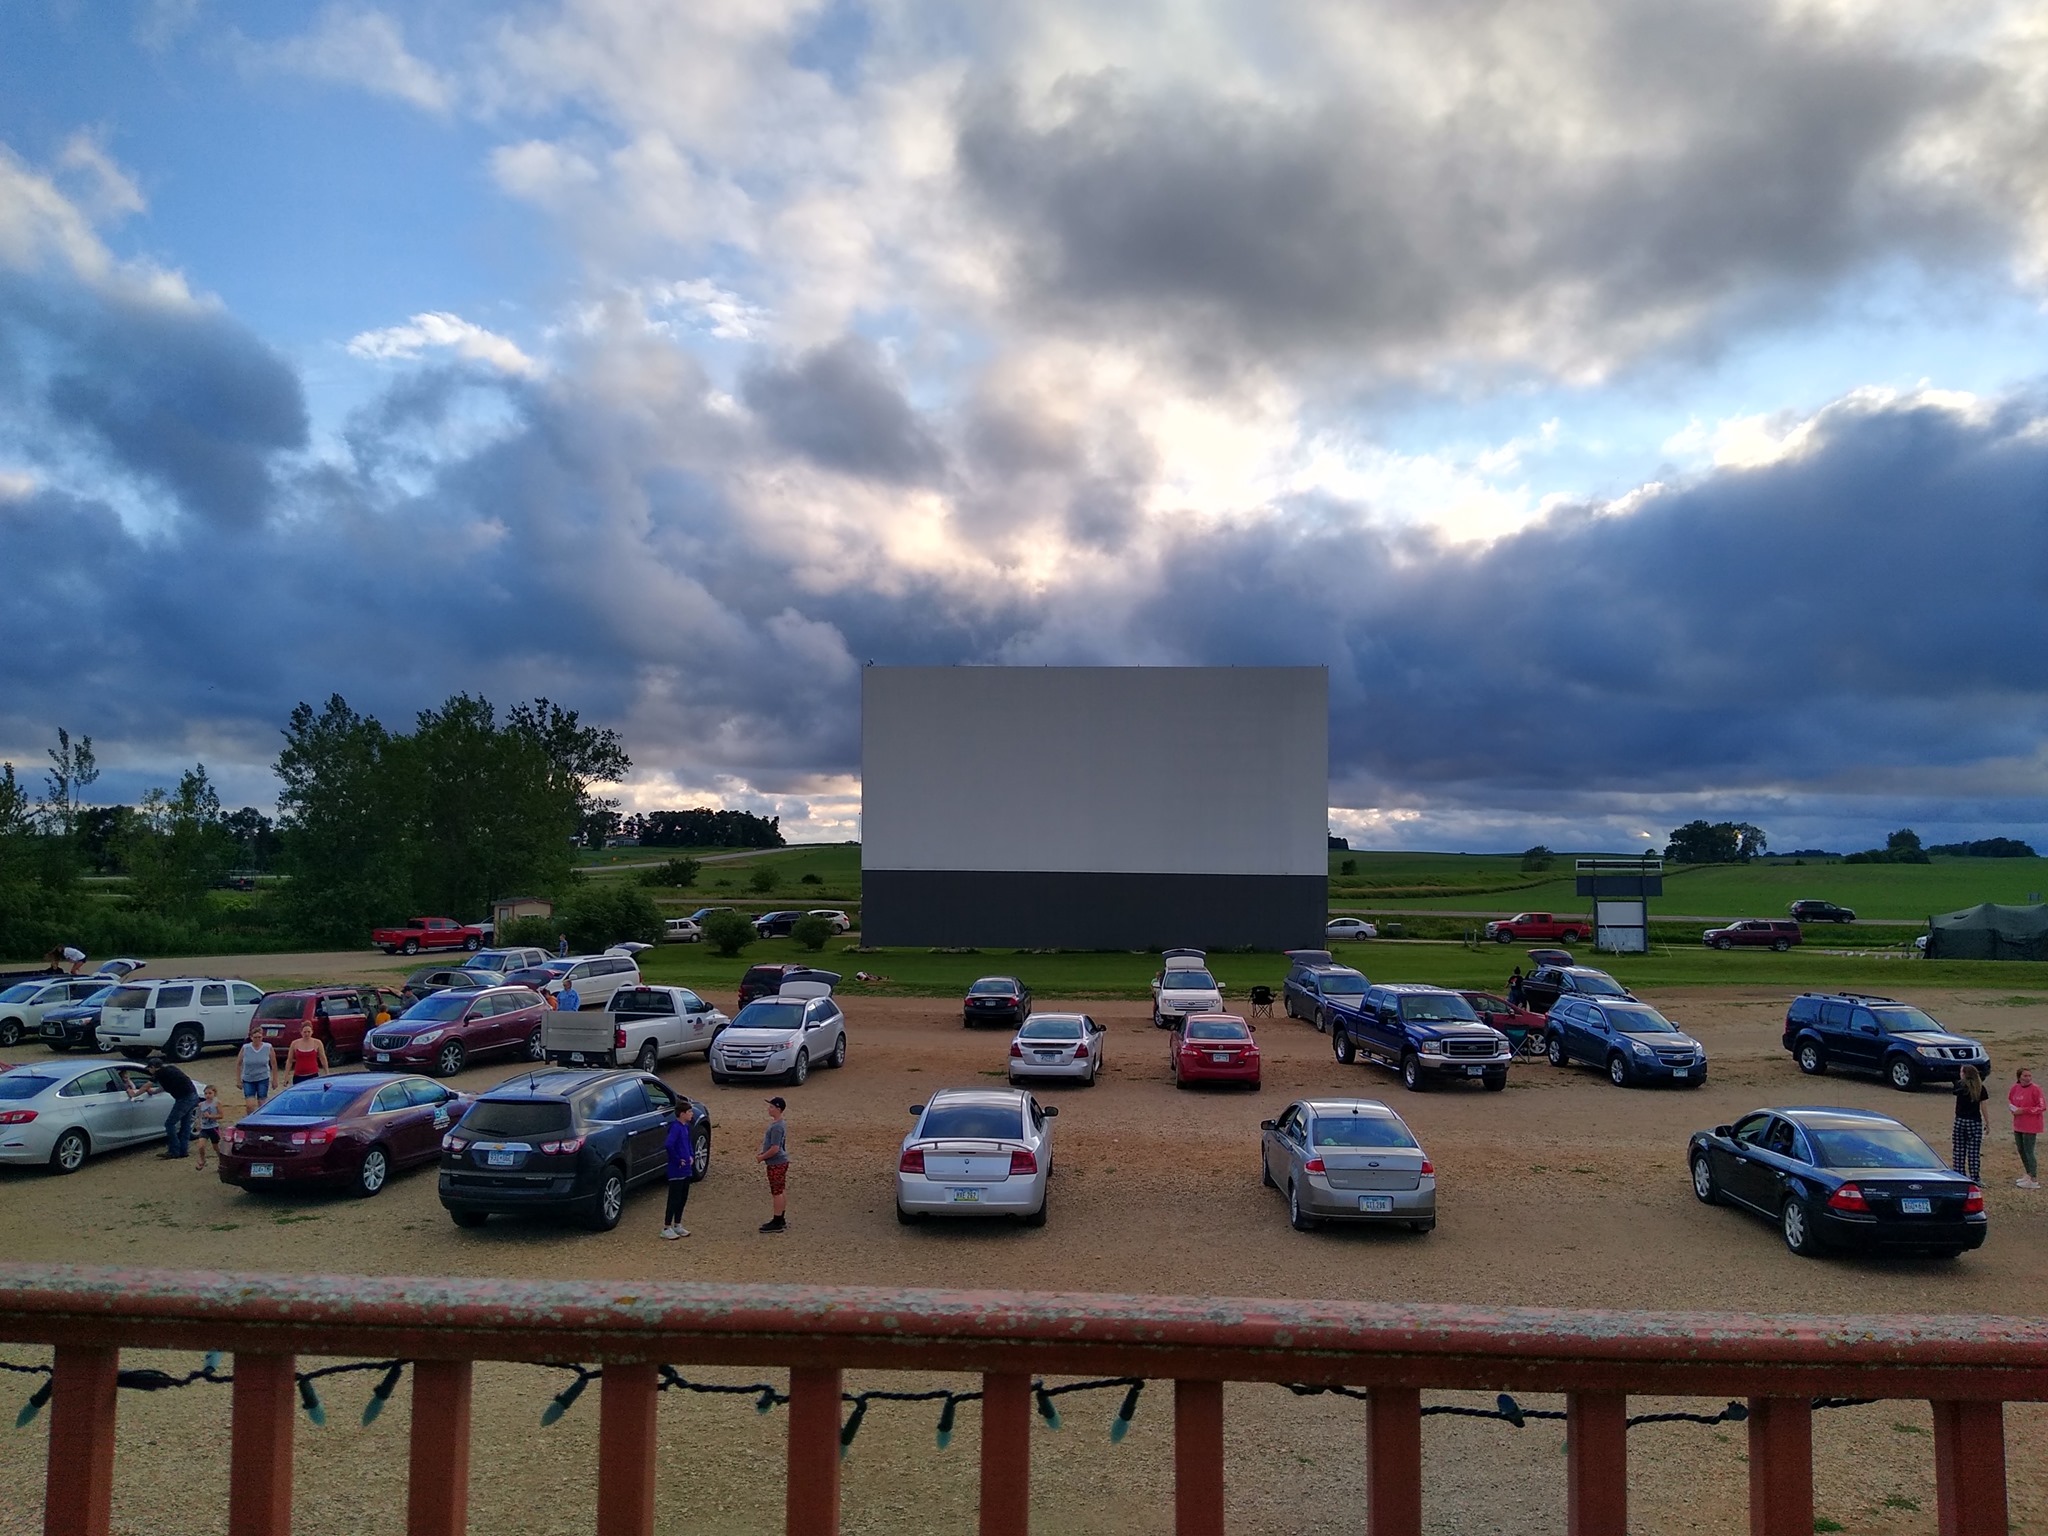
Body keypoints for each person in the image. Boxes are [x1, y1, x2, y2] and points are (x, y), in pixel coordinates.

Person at [130, 1055, 199, 1160]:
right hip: (193, 1095)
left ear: (153, 1067)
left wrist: (134, 1095)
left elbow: (146, 1086)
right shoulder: (171, 1069)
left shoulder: (159, 1074)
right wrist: (154, 1092)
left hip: (184, 1099)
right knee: (185, 1125)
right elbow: (166, 1085)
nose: (149, 1070)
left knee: (169, 1124)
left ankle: (174, 1150)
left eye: (149, 1068)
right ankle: (183, 1151)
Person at [661, 1102, 701, 1240]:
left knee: (683, 1197)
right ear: (682, 1113)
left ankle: (677, 1223)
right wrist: (678, 1160)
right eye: (689, 1112)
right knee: (674, 1198)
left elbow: (688, 1143)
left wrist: (691, 1156)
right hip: (676, 1169)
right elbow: (669, 1145)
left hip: (686, 1168)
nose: (692, 1114)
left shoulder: (686, 1127)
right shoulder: (675, 1128)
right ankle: (667, 1226)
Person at [757, 1096, 789, 1233]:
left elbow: (775, 1148)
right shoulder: (780, 1124)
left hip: (776, 1162)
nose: (768, 1109)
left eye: (771, 1107)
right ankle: (780, 1218)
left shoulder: (777, 1127)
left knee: (776, 1192)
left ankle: (777, 1220)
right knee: (780, 1190)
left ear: (778, 1109)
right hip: (780, 1161)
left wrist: (762, 1157)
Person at [2010, 1067, 2044, 1190]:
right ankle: (2028, 1173)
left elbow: (2041, 1106)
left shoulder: (2036, 1089)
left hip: (2031, 1125)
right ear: (2019, 1077)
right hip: (2018, 1123)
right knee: (2021, 1149)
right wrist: (2014, 1110)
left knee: (2029, 1150)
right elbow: (2011, 1101)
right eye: (2025, 1076)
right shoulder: (2015, 1088)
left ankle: (2033, 1178)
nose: (2028, 1078)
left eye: (2029, 1076)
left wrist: (2024, 1110)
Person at [1953, 1064, 1989, 1181]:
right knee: (1974, 1152)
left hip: (1960, 1121)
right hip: (1974, 1122)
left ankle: (1959, 1176)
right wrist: (1987, 1122)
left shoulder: (1960, 1087)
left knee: (1959, 1150)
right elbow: (1983, 1107)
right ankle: (1975, 1177)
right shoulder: (1980, 1088)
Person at [238, 1026, 277, 1114]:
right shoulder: (246, 1048)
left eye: (259, 1037)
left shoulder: (268, 1047)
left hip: (262, 1078)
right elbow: (239, 1064)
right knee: (250, 1105)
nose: (257, 1039)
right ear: (251, 1038)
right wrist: (238, 1080)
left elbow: (274, 1064)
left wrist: (274, 1079)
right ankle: (250, 1120)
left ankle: (261, 1121)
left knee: (262, 1102)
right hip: (248, 1078)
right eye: (255, 1037)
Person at [192, 1086, 223, 1170]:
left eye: (210, 1093)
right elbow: (199, 1115)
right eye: (206, 1093)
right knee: (201, 1145)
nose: (208, 1095)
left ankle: (222, 1160)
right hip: (204, 1128)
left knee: (216, 1147)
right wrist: (198, 1123)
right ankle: (202, 1159)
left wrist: (210, 1116)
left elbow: (221, 1115)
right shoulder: (201, 1104)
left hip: (213, 1128)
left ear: (214, 1094)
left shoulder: (217, 1103)